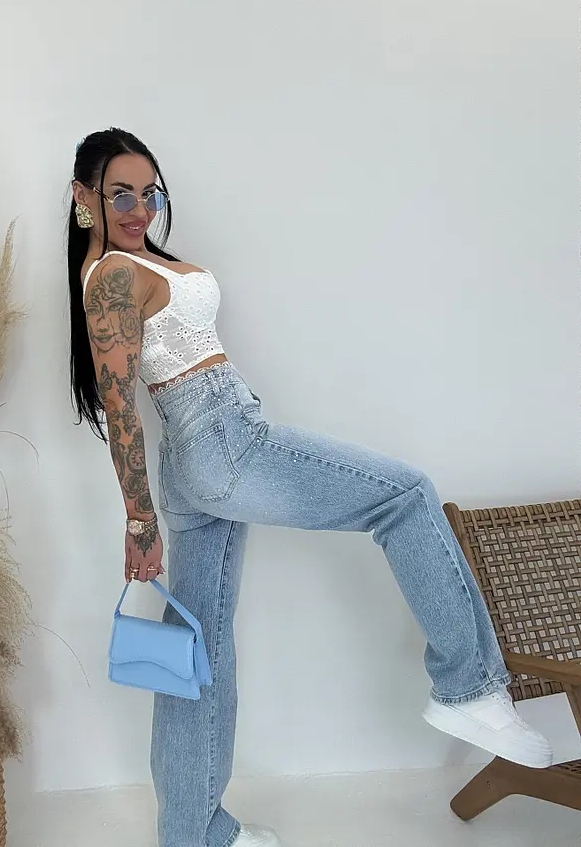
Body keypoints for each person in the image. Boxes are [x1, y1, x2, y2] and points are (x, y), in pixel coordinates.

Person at [67, 127, 552, 847]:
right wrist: (139, 520)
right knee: (404, 496)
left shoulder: (124, 263)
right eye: (119, 195)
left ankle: (193, 831)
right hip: (221, 441)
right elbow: (118, 408)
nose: (139, 209)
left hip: (199, 455)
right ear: (84, 197)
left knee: (199, 647)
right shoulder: (111, 276)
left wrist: (150, 510)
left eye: (150, 194)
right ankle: (468, 686)